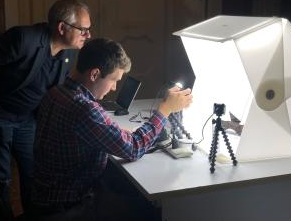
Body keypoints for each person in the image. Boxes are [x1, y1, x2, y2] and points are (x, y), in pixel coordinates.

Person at [31, 38, 193, 220]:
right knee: (146, 208)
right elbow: (133, 148)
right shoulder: (85, 108)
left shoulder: (56, 92)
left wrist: (118, 132)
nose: (114, 87)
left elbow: (88, 128)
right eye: (113, 80)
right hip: (68, 207)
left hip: (44, 197)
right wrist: (165, 109)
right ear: (94, 74)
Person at [0, 0, 91, 215]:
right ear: (61, 27)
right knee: (1, 178)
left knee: (33, 173)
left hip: (27, 118)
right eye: (83, 30)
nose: (88, 35)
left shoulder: (67, 52)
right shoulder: (23, 39)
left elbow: (62, 89)